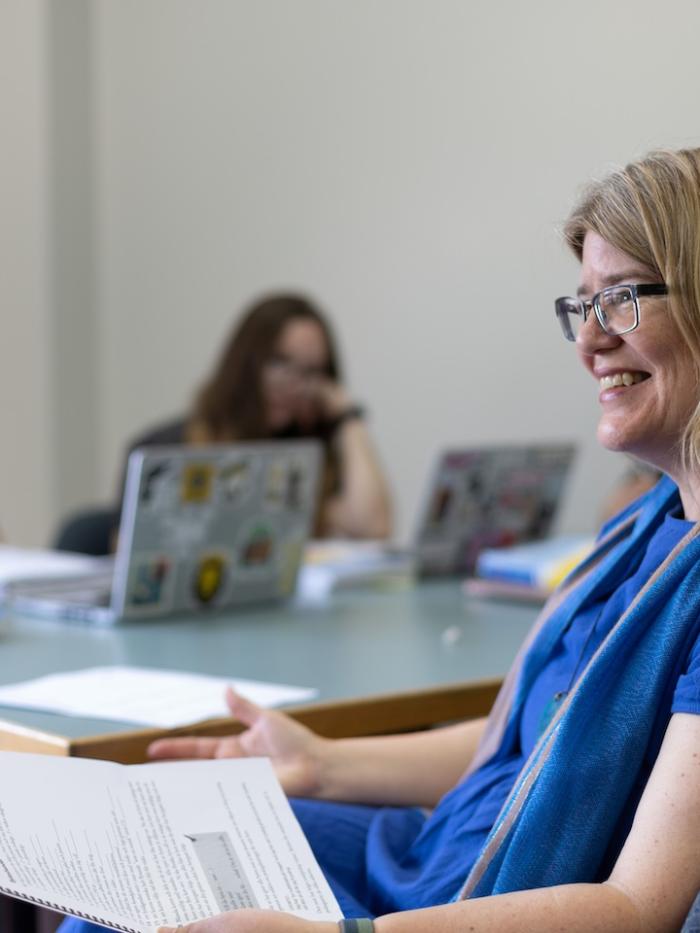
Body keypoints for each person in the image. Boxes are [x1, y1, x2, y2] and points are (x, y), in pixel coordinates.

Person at [61, 149, 700, 933]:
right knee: (138, 852)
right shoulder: (646, 525)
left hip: (460, 898)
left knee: (135, 911)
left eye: (625, 298)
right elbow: (522, 743)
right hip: (421, 852)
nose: (589, 340)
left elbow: (640, 908)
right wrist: (320, 762)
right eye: (583, 306)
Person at [117, 293, 392, 540]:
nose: (293, 385)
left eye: (310, 372)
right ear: (245, 363)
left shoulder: (310, 454)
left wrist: (347, 415)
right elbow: (129, 550)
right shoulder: (169, 447)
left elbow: (373, 528)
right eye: (279, 362)